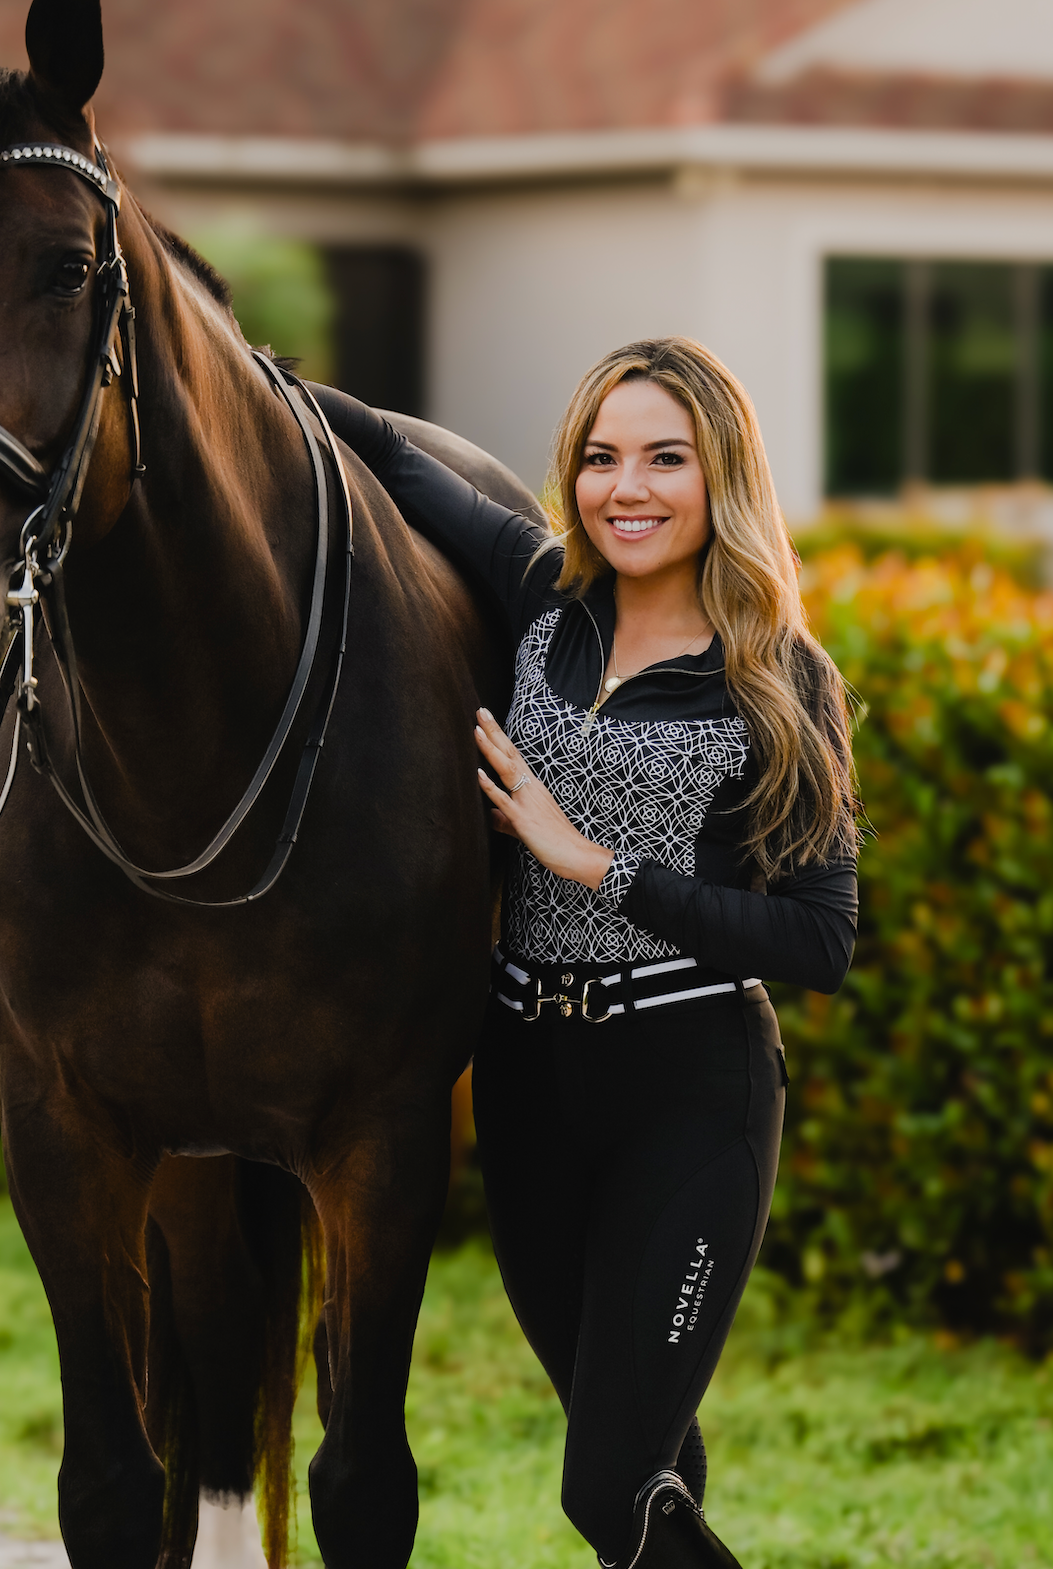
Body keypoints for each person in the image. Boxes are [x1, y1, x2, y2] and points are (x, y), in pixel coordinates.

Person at [308, 338, 858, 1569]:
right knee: (650, 1462)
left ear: (723, 477)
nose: (630, 488)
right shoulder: (539, 596)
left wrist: (597, 866)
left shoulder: (778, 677)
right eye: (601, 458)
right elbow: (390, 451)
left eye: (667, 458)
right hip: (527, 1088)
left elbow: (822, 939)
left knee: (605, 1483)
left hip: (689, 1089)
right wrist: (201, 341)